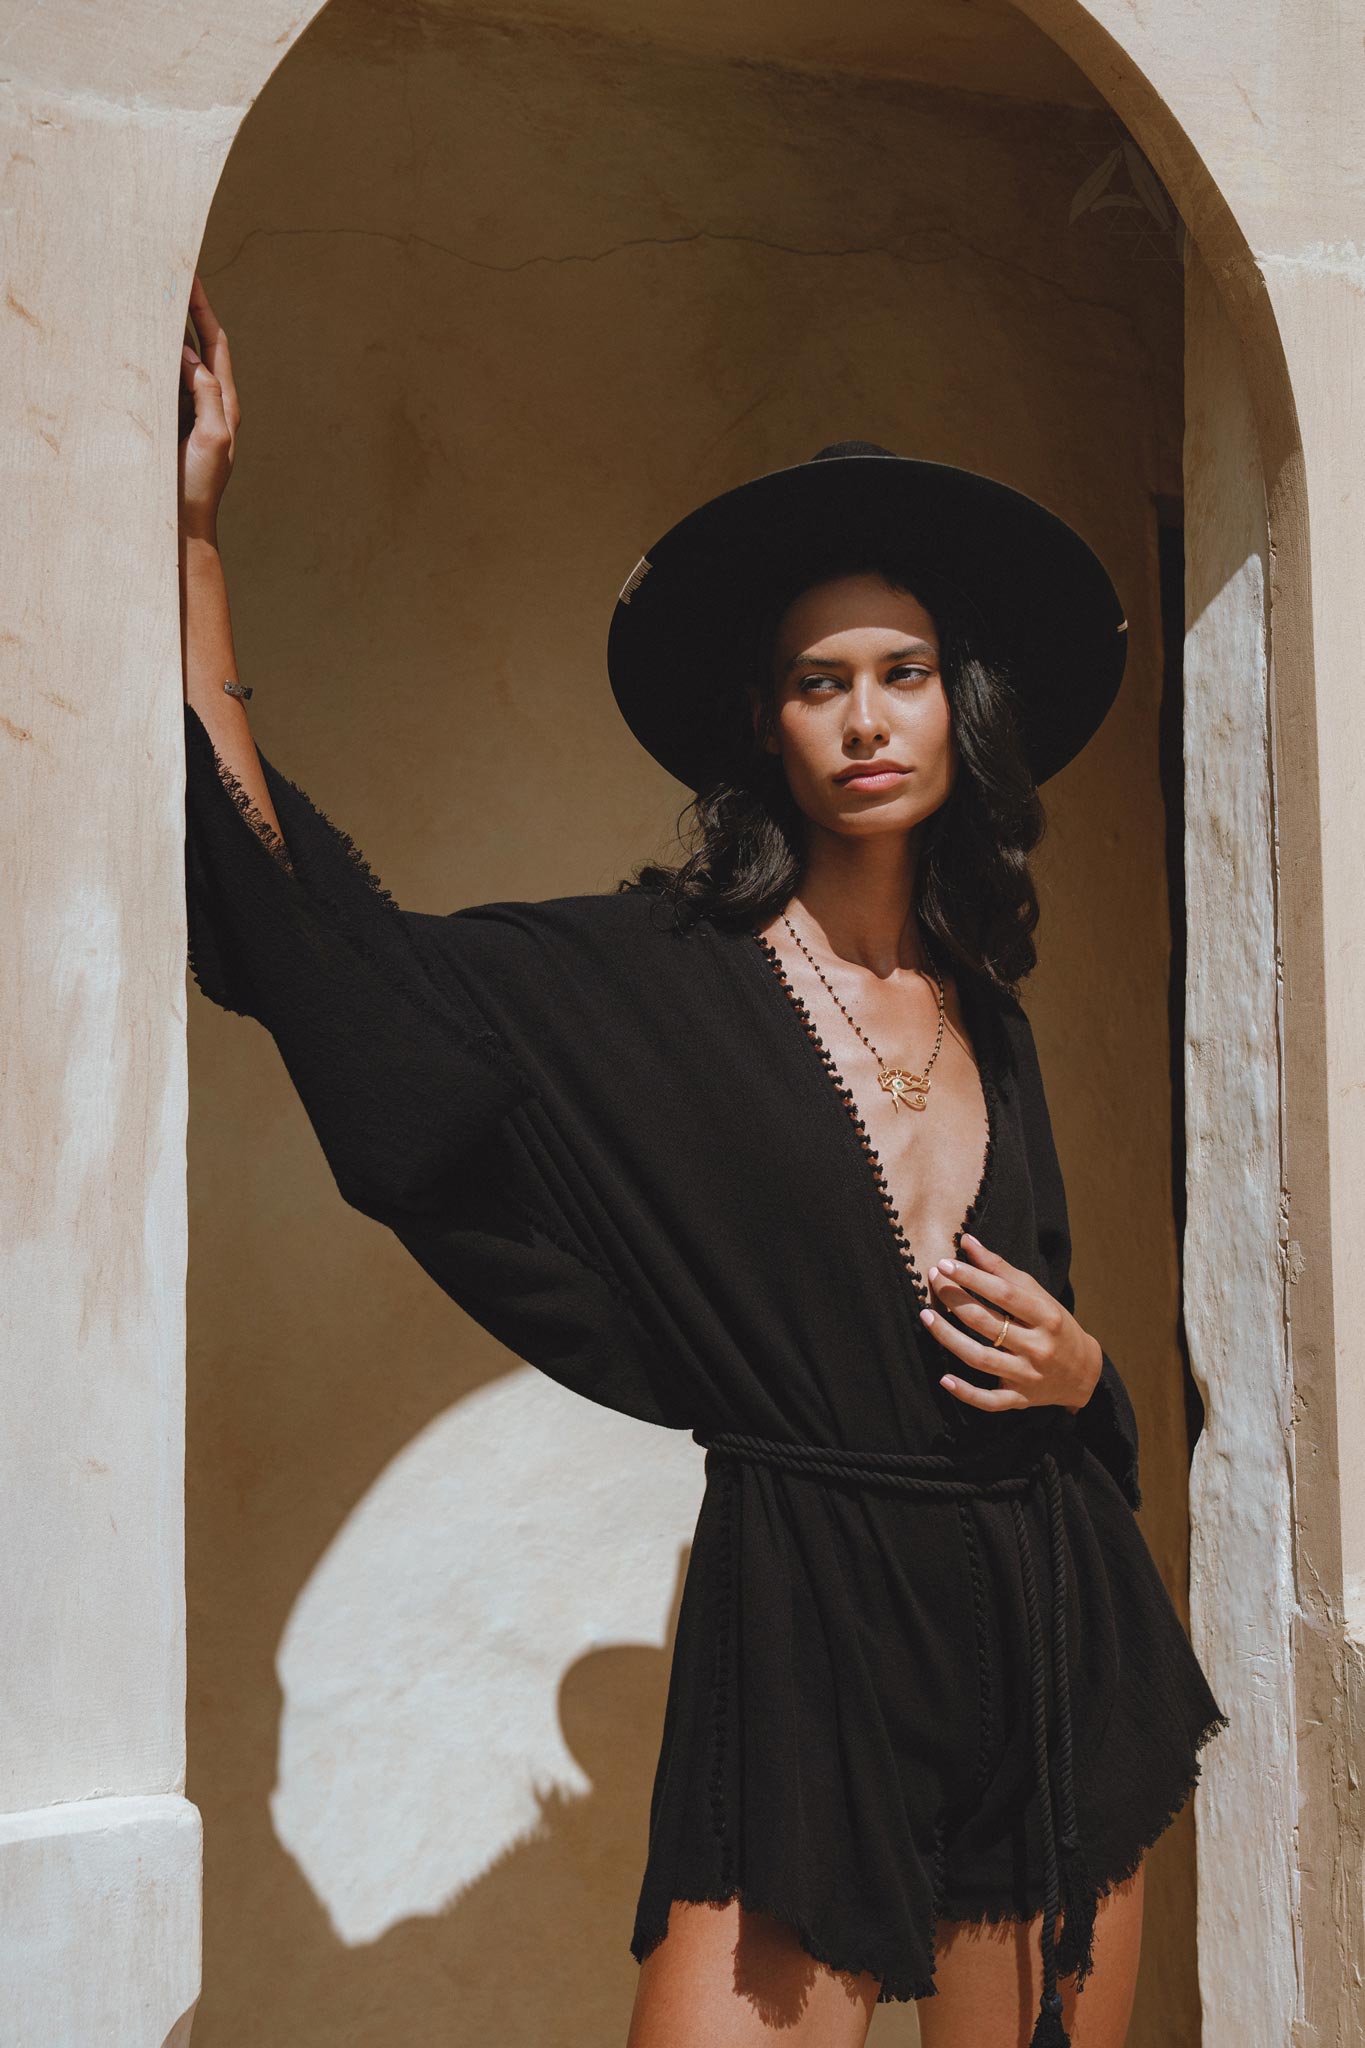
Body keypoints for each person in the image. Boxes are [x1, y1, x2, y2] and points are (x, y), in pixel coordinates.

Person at [178, 272, 1226, 2048]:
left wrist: (1091, 1368)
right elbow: (330, 960)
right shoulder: (645, 980)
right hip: (803, 1627)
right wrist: (191, 543)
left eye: (902, 676)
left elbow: (1051, 1362)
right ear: (767, 724)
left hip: (1054, 1642)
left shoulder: (994, 1010)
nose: (867, 718)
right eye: (821, 684)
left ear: (957, 710)